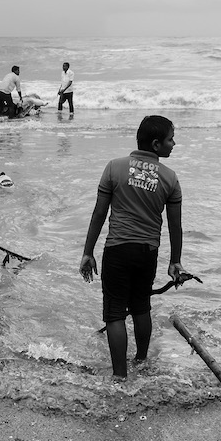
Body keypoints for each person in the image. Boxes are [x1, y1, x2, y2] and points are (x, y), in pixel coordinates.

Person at [79, 115, 186, 378]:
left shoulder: (114, 168)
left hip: (117, 250)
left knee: (115, 313)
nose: (174, 143)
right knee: (141, 306)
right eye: (171, 138)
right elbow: (175, 226)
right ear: (156, 144)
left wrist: (88, 252)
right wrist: (175, 261)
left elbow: (99, 214)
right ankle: (141, 360)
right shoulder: (170, 178)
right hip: (147, 252)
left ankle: (119, 375)